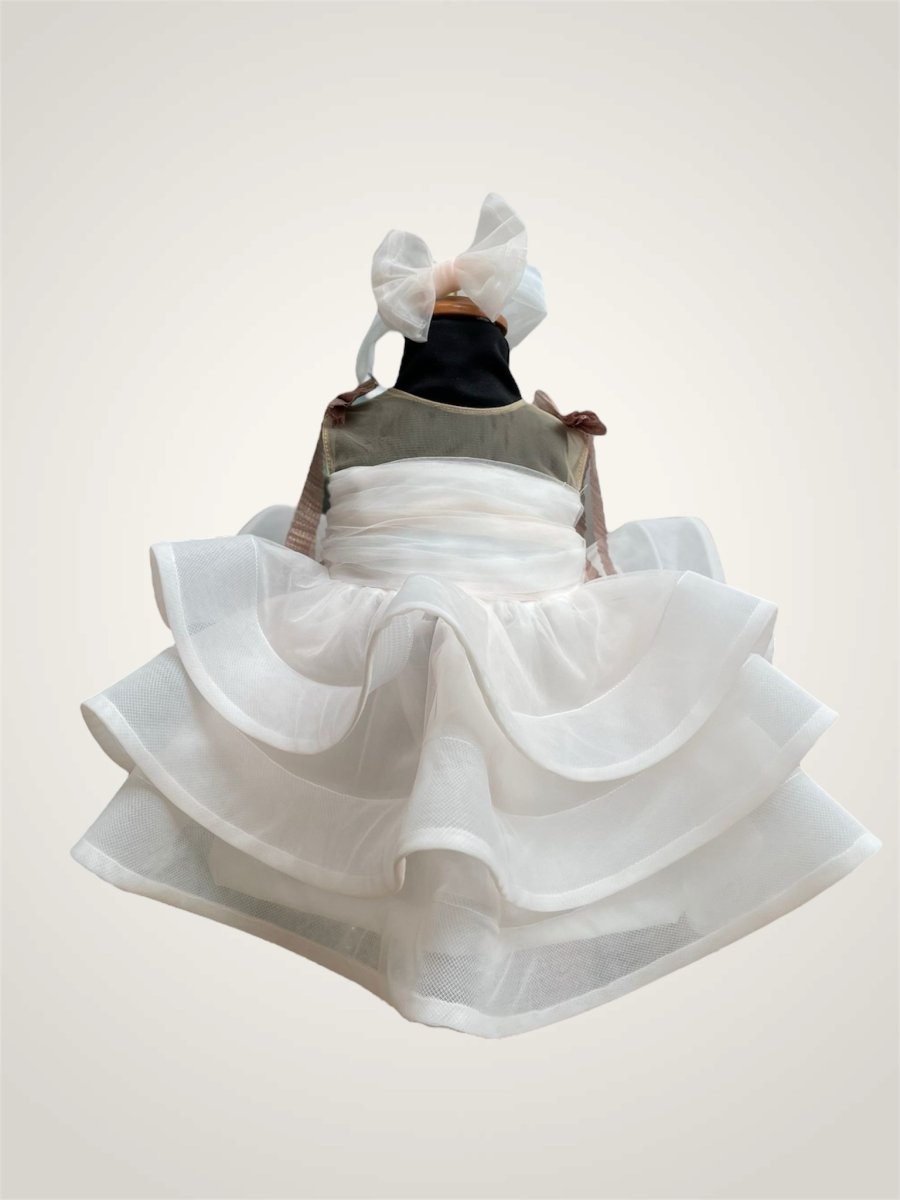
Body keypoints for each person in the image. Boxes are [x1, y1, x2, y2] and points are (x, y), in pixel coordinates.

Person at [70, 193, 881, 1039]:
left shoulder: (461, 429)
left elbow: (308, 550)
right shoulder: (497, 432)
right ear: (502, 335)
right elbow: (597, 569)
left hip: (385, 667)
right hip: (435, 661)